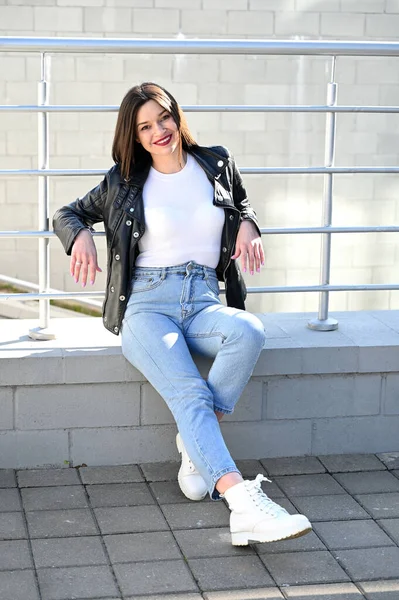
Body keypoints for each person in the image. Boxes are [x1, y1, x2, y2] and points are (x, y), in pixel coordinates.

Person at [53, 82, 311, 546]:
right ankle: (242, 504)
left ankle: (195, 445)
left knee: (249, 331)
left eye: (163, 119)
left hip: (205, 300)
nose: (158, 132)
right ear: (133, 136)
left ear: (177, 117)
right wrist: (80, 236)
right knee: (191, 391)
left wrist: (248, 225)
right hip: (148, 307)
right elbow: (67, 213)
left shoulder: (215, 162)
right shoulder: (124, 181)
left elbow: (241, 203)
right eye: (145, 127)